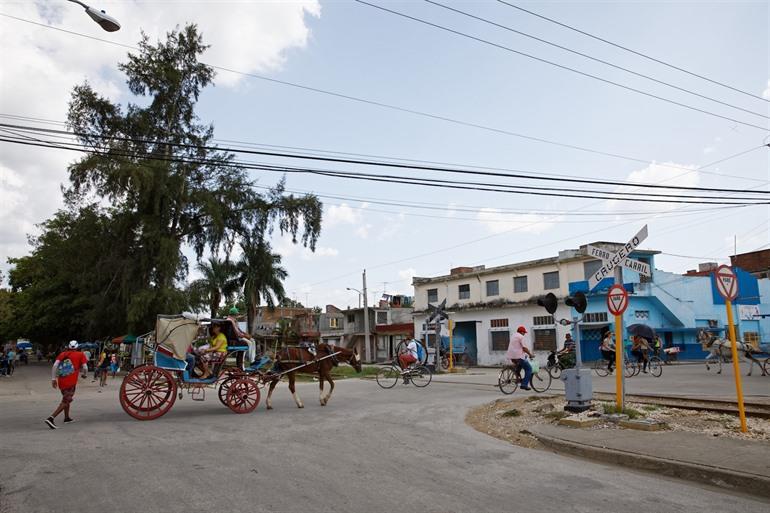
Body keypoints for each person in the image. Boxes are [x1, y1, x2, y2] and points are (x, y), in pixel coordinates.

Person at [45, 340, 88, 429]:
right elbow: (85, 367)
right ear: (77, 347)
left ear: (68, 346)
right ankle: (51, 418)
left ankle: (67, 418)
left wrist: (53, 379)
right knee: (66, 400)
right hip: (71, 382)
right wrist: (84, 375)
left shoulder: (62, 354)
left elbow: (55, 366)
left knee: (66, 398)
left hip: (61, 380)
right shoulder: (80, 354)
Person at [506, 326, 533, 390]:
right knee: (529, 369)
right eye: (524, 332)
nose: (524, 334)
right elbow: (524, 348)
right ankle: (524, 384)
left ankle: (517, 376)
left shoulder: (513, 336)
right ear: (522, 332)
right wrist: (530, 354)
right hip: (518, 356)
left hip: (511, 356)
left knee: (519, 366)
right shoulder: (521, 337)